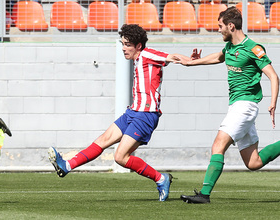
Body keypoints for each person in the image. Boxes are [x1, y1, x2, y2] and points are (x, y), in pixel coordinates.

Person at [48, 24, 187, 202]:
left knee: (120, 157)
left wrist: (192, 60)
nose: (123, 48)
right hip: (133, 112)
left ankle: (161, 179)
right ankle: (66, 166)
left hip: (145, 115)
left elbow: (172, 57)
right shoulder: (138, 59)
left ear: (138, 45)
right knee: (102, 141)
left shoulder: (147, 54)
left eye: (127, 44)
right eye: (122, 43)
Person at [179, 6, 280, 204]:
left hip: (245, 106)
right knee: (253, 162)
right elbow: (219, 57)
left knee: (218, 145)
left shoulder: (253, 48)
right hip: (237, 106)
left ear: (231, 26)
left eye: (220, 26)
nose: (218, 30)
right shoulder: (230, 47)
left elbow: (273, 76)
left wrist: (273, 102)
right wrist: (192, 62)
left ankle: (204, 195)